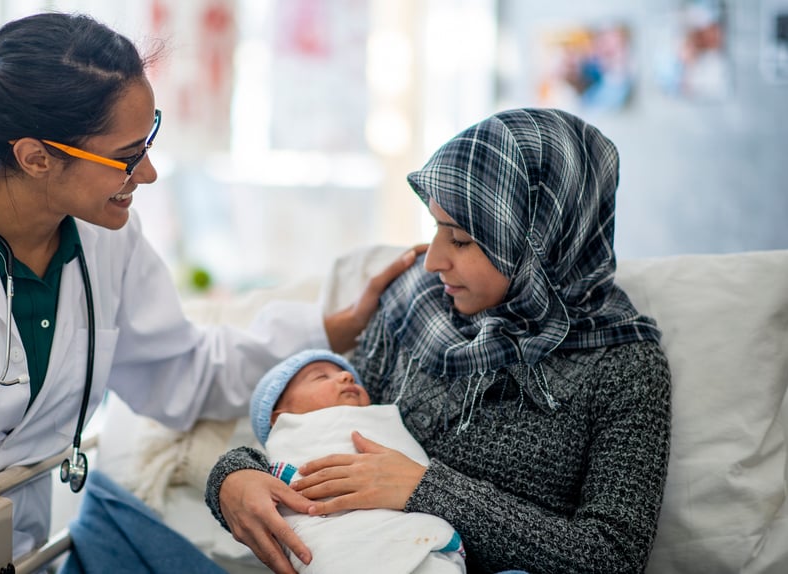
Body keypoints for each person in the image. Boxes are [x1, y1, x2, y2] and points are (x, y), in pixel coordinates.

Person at [0, 12, 422, 574]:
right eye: (127, 155)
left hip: (15, 553)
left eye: (151, 138)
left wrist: (329, 333)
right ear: (36, 157)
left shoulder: (108, 244)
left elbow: (182, 372)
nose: (151, 172)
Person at [206, 108, 672, 574]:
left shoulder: (623, 363)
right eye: (435, 227)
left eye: (462, 239)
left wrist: (425, 489)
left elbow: (612, 556)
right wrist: (233, 476)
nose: (433, 261)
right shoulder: (412, 306)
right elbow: (324, 418)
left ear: (536, 241)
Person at [249, 348, 466, 574]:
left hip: (418, 537)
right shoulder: (290, 442)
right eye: (321, 376)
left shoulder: (385, 421)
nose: (346, 376)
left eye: (344, 373)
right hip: (340, 546)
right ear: (276, 416)